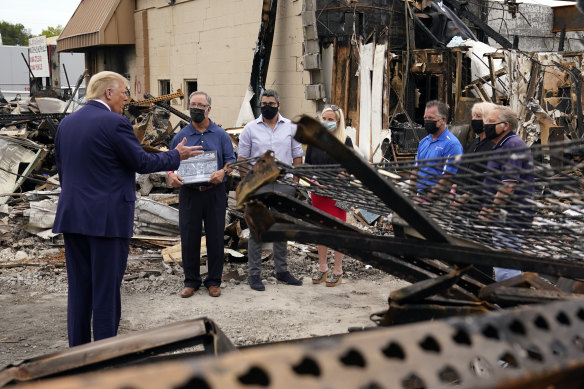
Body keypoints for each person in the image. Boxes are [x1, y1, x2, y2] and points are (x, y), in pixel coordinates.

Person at [53, 71, 203, 347]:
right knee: (106, 292)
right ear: (108, 93)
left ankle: (77, 357)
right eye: (124, 92)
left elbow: (63, 171)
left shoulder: (67, 124)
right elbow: (141, 163)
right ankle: (106, 356)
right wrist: (176, 156)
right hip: (108, 222)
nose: (127, 99)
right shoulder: (115, 123)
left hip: (73, 218)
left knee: (79, 291)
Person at [167, 91, 236, 298]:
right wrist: (170, 175)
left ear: (208, 109)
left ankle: (214, 281)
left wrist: (223, 171)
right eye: (192, 105)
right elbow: (170, 162)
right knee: (189, 237)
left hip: (214, 193)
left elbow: (231, 162)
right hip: (189, 193)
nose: (195, 108)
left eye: (200, 105)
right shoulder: (181, 136)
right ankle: (191, 281)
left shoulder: (221, 135)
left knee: (215, 237)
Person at [238, 89, 304, 291]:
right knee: (257, 228)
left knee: (281, 228)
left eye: (271, 103)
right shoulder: (250, 129)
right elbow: (242, 160)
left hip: (284, 185)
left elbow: (297, 157)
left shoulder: (291, 128)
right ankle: (254, 274)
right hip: (258, 185)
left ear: (278, 105)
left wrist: (295, 183)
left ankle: (282, 271)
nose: (267, 107)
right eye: (264, 103)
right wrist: (247, 185)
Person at [480, 105, 535, 281]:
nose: (485, 124)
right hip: (506, 213)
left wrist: (491, 210)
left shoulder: (512, 145)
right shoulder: (501, 145)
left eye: (491, 122)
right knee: (503, 258)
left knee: (506, 261)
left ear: (505, 126)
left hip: (511, 214)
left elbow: (508, 186)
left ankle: (508, 300)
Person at [305, 105, 352, 287]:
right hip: (318, 193)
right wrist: (315, 183)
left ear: (338, 122)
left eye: (330, 119)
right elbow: (308, 166)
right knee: (320, 230)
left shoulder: (345, 141)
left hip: (337, 193)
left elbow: (348, 168)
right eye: (324, 118)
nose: (326, 122)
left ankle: (338, 270)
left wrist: (331, 184)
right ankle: (323, 267)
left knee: (337, 231)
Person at [413, 100, 463, 195]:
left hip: (436, 199)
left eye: (431, 118)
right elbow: (415, 170)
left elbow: (447, 180)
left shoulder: (452, 144)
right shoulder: (424, 142)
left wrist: (424, 199)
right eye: (425, 118)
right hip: (419, 195)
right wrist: (411, 194)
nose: (427, 121)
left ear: (443, 120)